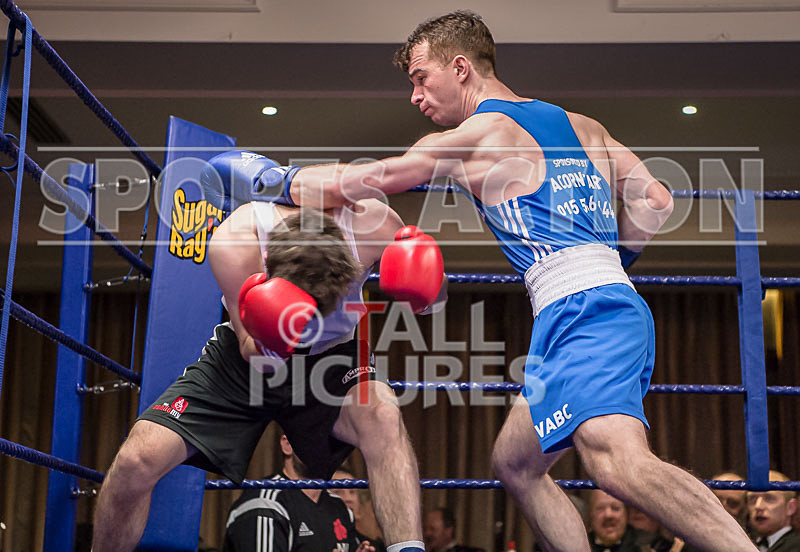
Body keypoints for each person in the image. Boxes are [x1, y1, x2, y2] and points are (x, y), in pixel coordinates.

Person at [230, 9, 755, 552]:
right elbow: (654, 199)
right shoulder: (583, 125)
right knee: (515, 461)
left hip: (584, 312)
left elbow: (375, 180)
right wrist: (607, 262)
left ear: (460, 68)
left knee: (616, 461)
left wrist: (278, 179)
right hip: (591, 305)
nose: (414, 95)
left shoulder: (476, 135)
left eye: (419, 78)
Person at [92, 200, 445, 552]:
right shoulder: (236, 238)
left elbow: (435, 294)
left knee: (383, 415)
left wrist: (427, 290)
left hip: (332, 357)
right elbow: (248, 347)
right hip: (245, 357)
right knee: (137, 458)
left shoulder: (371, 226)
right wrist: (272, 325)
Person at [223, 434, 373, 551]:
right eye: (314, 435)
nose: (324, 446)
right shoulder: (266, 504)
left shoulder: (339, 506)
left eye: (330, 437)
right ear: (287, 445)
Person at [332, 468, 388, 552]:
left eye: (352, 492)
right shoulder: (319, 540)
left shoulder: (372, 547)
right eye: (337, 492)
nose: (348, 499)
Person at [747, 470, 800, 552]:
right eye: (753, 499)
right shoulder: (743, 540)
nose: (758, 506)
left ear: (790, 507)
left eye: (769, 499)